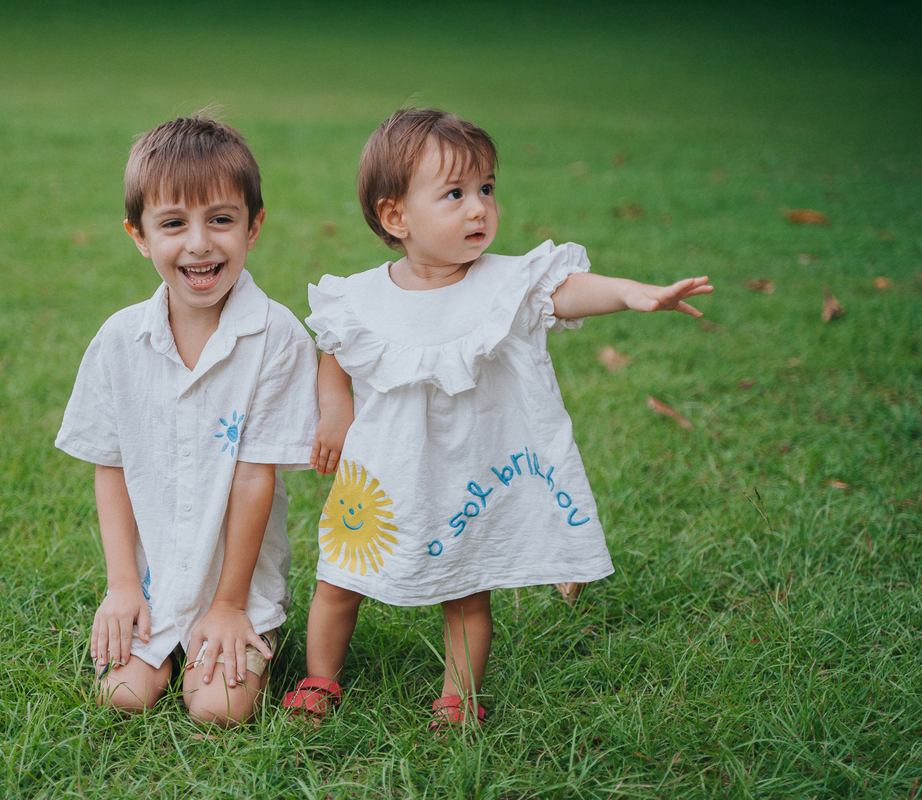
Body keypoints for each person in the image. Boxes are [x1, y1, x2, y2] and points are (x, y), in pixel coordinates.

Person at [282, 108, 712, 728]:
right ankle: (320, 679)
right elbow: (334, 350)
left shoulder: (506, 284)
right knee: (340, 578)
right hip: (379, 478)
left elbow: (567, 290)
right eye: (454, 194)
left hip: (467, 470)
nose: (479, 207)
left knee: (466, 589)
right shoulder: (360, 296)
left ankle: (459, 694)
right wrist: (335, 409)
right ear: (395, 215)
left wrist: (632, 294)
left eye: (486, 188)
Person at [56, 113, 319, 726]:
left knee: (217, 710)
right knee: (122, 695)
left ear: (253, 226)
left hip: (237, 581)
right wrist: (123, 585)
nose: (199, 243)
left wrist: (228, 605)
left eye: (220, 220)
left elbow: (255, 479)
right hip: (150, 580)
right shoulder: (120, 340)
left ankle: (249, 629)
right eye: (174, 223)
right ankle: (154, 626)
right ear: (140, 235)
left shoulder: (276, 337)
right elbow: (111, 469)